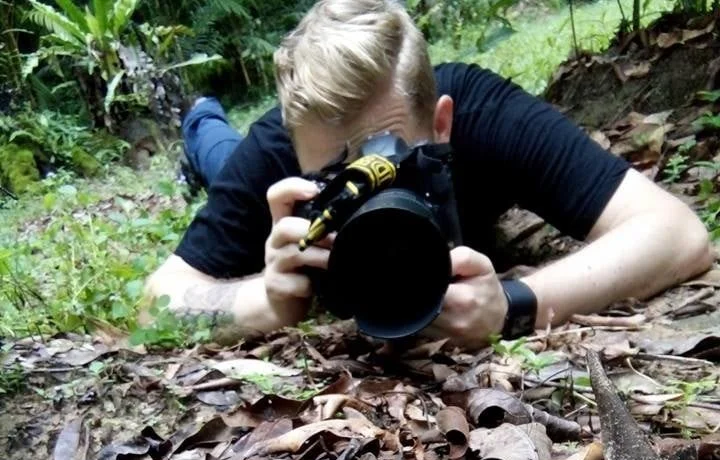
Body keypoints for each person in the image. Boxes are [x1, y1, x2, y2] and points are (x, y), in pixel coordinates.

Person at [144, 0, 714, 350]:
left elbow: (678, 234)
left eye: (388, 161)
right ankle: (201, 119)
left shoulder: (480, 111)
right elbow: (158, 301)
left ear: (441, 123)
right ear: (296, 152)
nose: (370, 187)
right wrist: (261, 302)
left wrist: (516, 305)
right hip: (242, 154)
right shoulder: (272, 153)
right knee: (220, 153)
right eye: (342, 175)